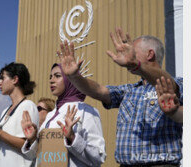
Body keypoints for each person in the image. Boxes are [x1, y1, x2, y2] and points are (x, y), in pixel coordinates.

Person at [57, 28, 183, 166]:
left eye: (132, 50)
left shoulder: (175, 84)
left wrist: (137, 66)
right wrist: (74, 77)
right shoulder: (129, 90)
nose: (125, 53)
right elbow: (99, 90)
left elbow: (168, 83)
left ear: (150, 54)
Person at [21, 63, 106, 167]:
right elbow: (40, 155)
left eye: (57, 76)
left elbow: (98, 157)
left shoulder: (87, 111)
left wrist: (73, 138)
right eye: (50, 77)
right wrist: (32, 139)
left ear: (70, 80)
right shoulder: (50, 116)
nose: (51, 80)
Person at [0, 62, 39, 167]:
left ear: (15, 79)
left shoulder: (28, 106)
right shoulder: (5, 111)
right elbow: (1, 147)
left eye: (2, 78)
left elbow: (26, 146)